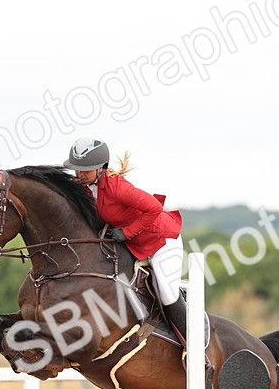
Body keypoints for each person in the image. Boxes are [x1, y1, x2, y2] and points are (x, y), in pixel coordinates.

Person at [62, 137, 188, 346]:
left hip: (159, 238)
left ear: (102, 168)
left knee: (167, 293)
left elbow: (154, 208)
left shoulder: (117, 187)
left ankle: (193, 344)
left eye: (85, 170)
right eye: (77, 169)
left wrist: (127, 232)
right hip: (132, 243)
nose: (80, 174)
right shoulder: (83, 186)